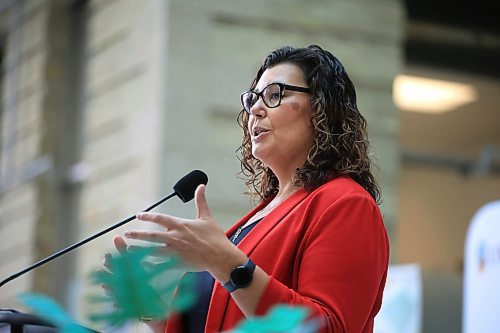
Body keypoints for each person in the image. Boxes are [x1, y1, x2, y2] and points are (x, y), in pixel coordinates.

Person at [109, 45, 389, 332]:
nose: (255, 109)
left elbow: (328, 327)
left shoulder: (346, 203)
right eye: (253, 98)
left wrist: (226, 262)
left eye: (275, 94)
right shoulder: (259, 218)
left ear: (322, 110)